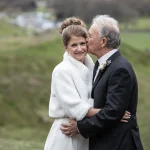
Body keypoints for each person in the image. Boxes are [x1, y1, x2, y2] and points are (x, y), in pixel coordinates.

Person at [44, 17, 130, 150]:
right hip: (67, 132)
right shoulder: (61, 71)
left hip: (86, 134)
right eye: (74, 45)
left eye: (83, 43)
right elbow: (75, 108)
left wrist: (110, 115)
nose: (79, 49)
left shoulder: (93, 67)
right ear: (66, 47)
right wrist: (113, 115)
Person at [60, 15, 144, 150]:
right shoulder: (101, 64)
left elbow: (112, 112)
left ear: (103, 41)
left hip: (119, 143)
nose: (86, 40)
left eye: (90, 36)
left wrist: (80, 127)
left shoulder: (120, 69)